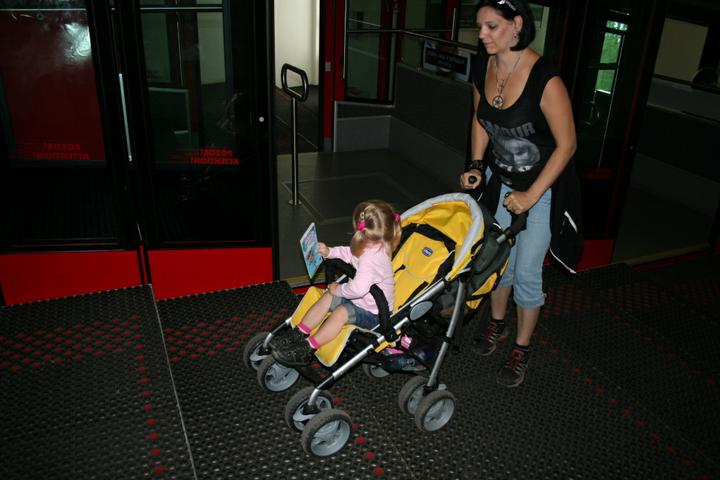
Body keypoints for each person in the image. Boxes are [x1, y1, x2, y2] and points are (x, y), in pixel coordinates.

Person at [459, 0, 581, 387]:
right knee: (498, 262)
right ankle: (497, 323)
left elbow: (567, 145)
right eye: (480, 26)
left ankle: (522, 347)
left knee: (526, 273)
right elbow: (480, 120)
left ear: (516, 25)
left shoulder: (545, 79)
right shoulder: (483, 66)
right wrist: (476, 164)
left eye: (491, 26)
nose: (482, 34)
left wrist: (530, 196)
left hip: (541, 188)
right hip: (500, 181)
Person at [271, 200, 402, 366]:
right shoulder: (371, 244)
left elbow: (358, 289)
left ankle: (308, 348)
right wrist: (329, 252)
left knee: (341, 312)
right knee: (328, 296)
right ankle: (300, 332)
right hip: (360, 300)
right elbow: (350, 253)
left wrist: (338, 289)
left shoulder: (373, 261)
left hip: (374, 313)